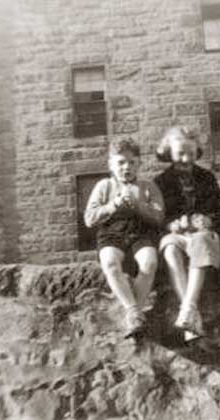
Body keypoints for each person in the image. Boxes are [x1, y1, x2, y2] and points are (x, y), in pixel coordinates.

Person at [84, 139, 165, 337]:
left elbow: (159, 216)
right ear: (111, 164)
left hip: (140, 233)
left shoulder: (148, 186)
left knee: (149, 263)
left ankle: (133, 313)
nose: (126, 167)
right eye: (120, 162)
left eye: (131, 162)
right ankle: (134, 311)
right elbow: (89, 218)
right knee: (110, 263)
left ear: (139, 164)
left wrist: (140, 206)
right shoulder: (104, 185)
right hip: (112, 233)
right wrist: (114, 205)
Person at [154, 126, 220, 341]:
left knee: (201, 240)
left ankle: (188, 310)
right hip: (178, 235)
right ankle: (191, 312)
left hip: (202, 234)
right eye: (180, 153)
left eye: (191, 153)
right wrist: (171, 224)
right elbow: (158, 216)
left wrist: (209, 219)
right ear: (169, 153)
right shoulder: (160, 182)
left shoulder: (207, 177)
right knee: (170, 248)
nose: (186, 158)